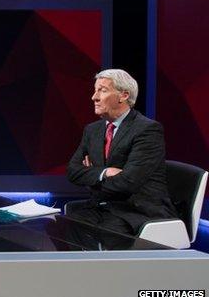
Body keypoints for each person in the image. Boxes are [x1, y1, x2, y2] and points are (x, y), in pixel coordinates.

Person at [66, 69, 177, 235]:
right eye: (95, 90)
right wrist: (105, 172)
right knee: (65, 229)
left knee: (103, 237)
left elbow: (128, 182)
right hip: (102, 206)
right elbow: (73, 172)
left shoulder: (147, 130)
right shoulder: (92, 130)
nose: (94, 97)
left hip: (137, 210)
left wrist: (91, 176)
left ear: (123, 96)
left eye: (102, 90)